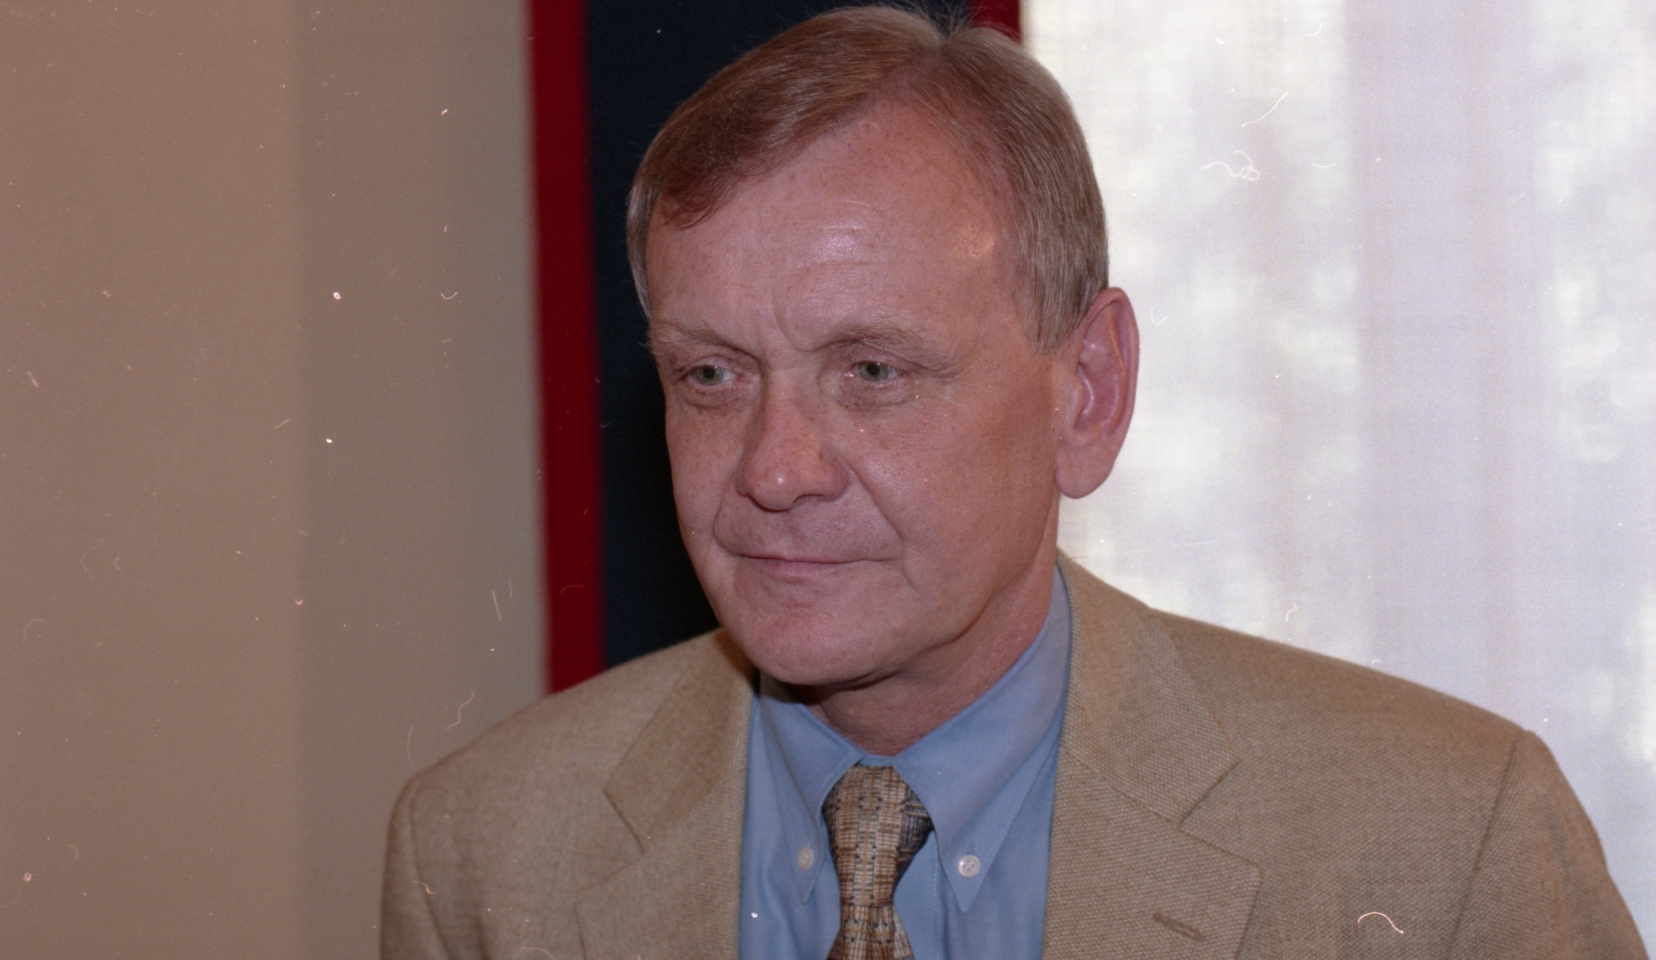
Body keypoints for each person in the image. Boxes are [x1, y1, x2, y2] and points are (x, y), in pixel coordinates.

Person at [380, 8, 1646, 959]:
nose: (772, 470)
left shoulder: (1444, 841)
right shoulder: (484, 856)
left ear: (1086, 392)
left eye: (872, 370)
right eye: (710, 375)